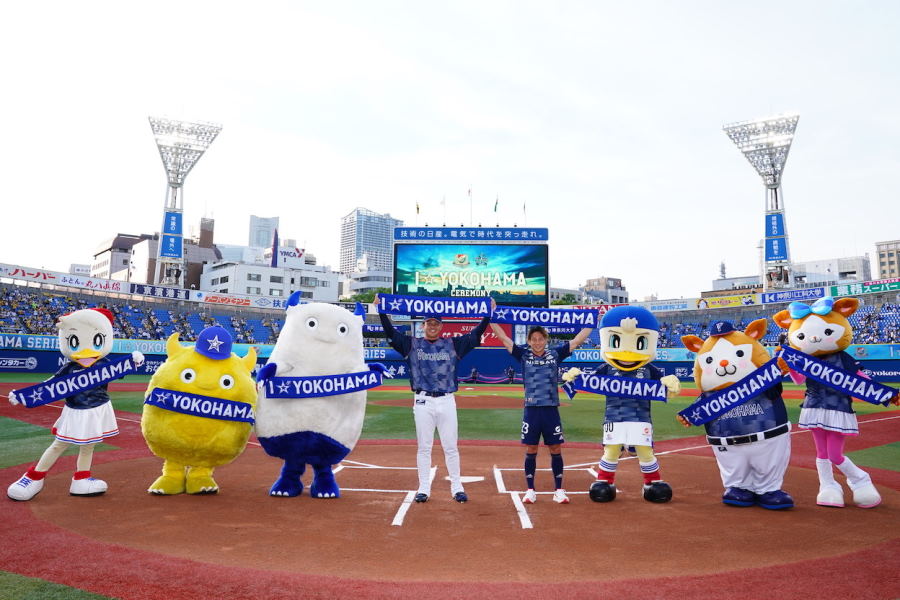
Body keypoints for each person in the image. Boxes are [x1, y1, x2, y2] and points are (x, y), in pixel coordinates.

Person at [375, 294, 490, 503]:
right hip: (422, 401)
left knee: (451, 447)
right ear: (423, 325)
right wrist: (381, 311)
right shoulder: (411, 344)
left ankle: (457, 487)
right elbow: (390, 333)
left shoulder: (452, 344)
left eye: (436, 323)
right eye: (429, 323)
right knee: (424, 447)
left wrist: (487, 315)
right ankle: (424, 488)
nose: (432, 326)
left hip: (446, 400)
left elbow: (475, 336)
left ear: (441, 326)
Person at [490, 310, 594, 504]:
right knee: (531, 449)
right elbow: (503, 338)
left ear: (545, 340)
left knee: (555, 448)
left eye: (540, 339)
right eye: (534, 339)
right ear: (529, 341)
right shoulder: (523, 355)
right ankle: (530, 490)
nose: (537, 342)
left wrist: (591, 321)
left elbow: (577, 341)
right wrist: (492, 316)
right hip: (531, 410)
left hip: (550, 410)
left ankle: (559, 490)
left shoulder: (555, 354)